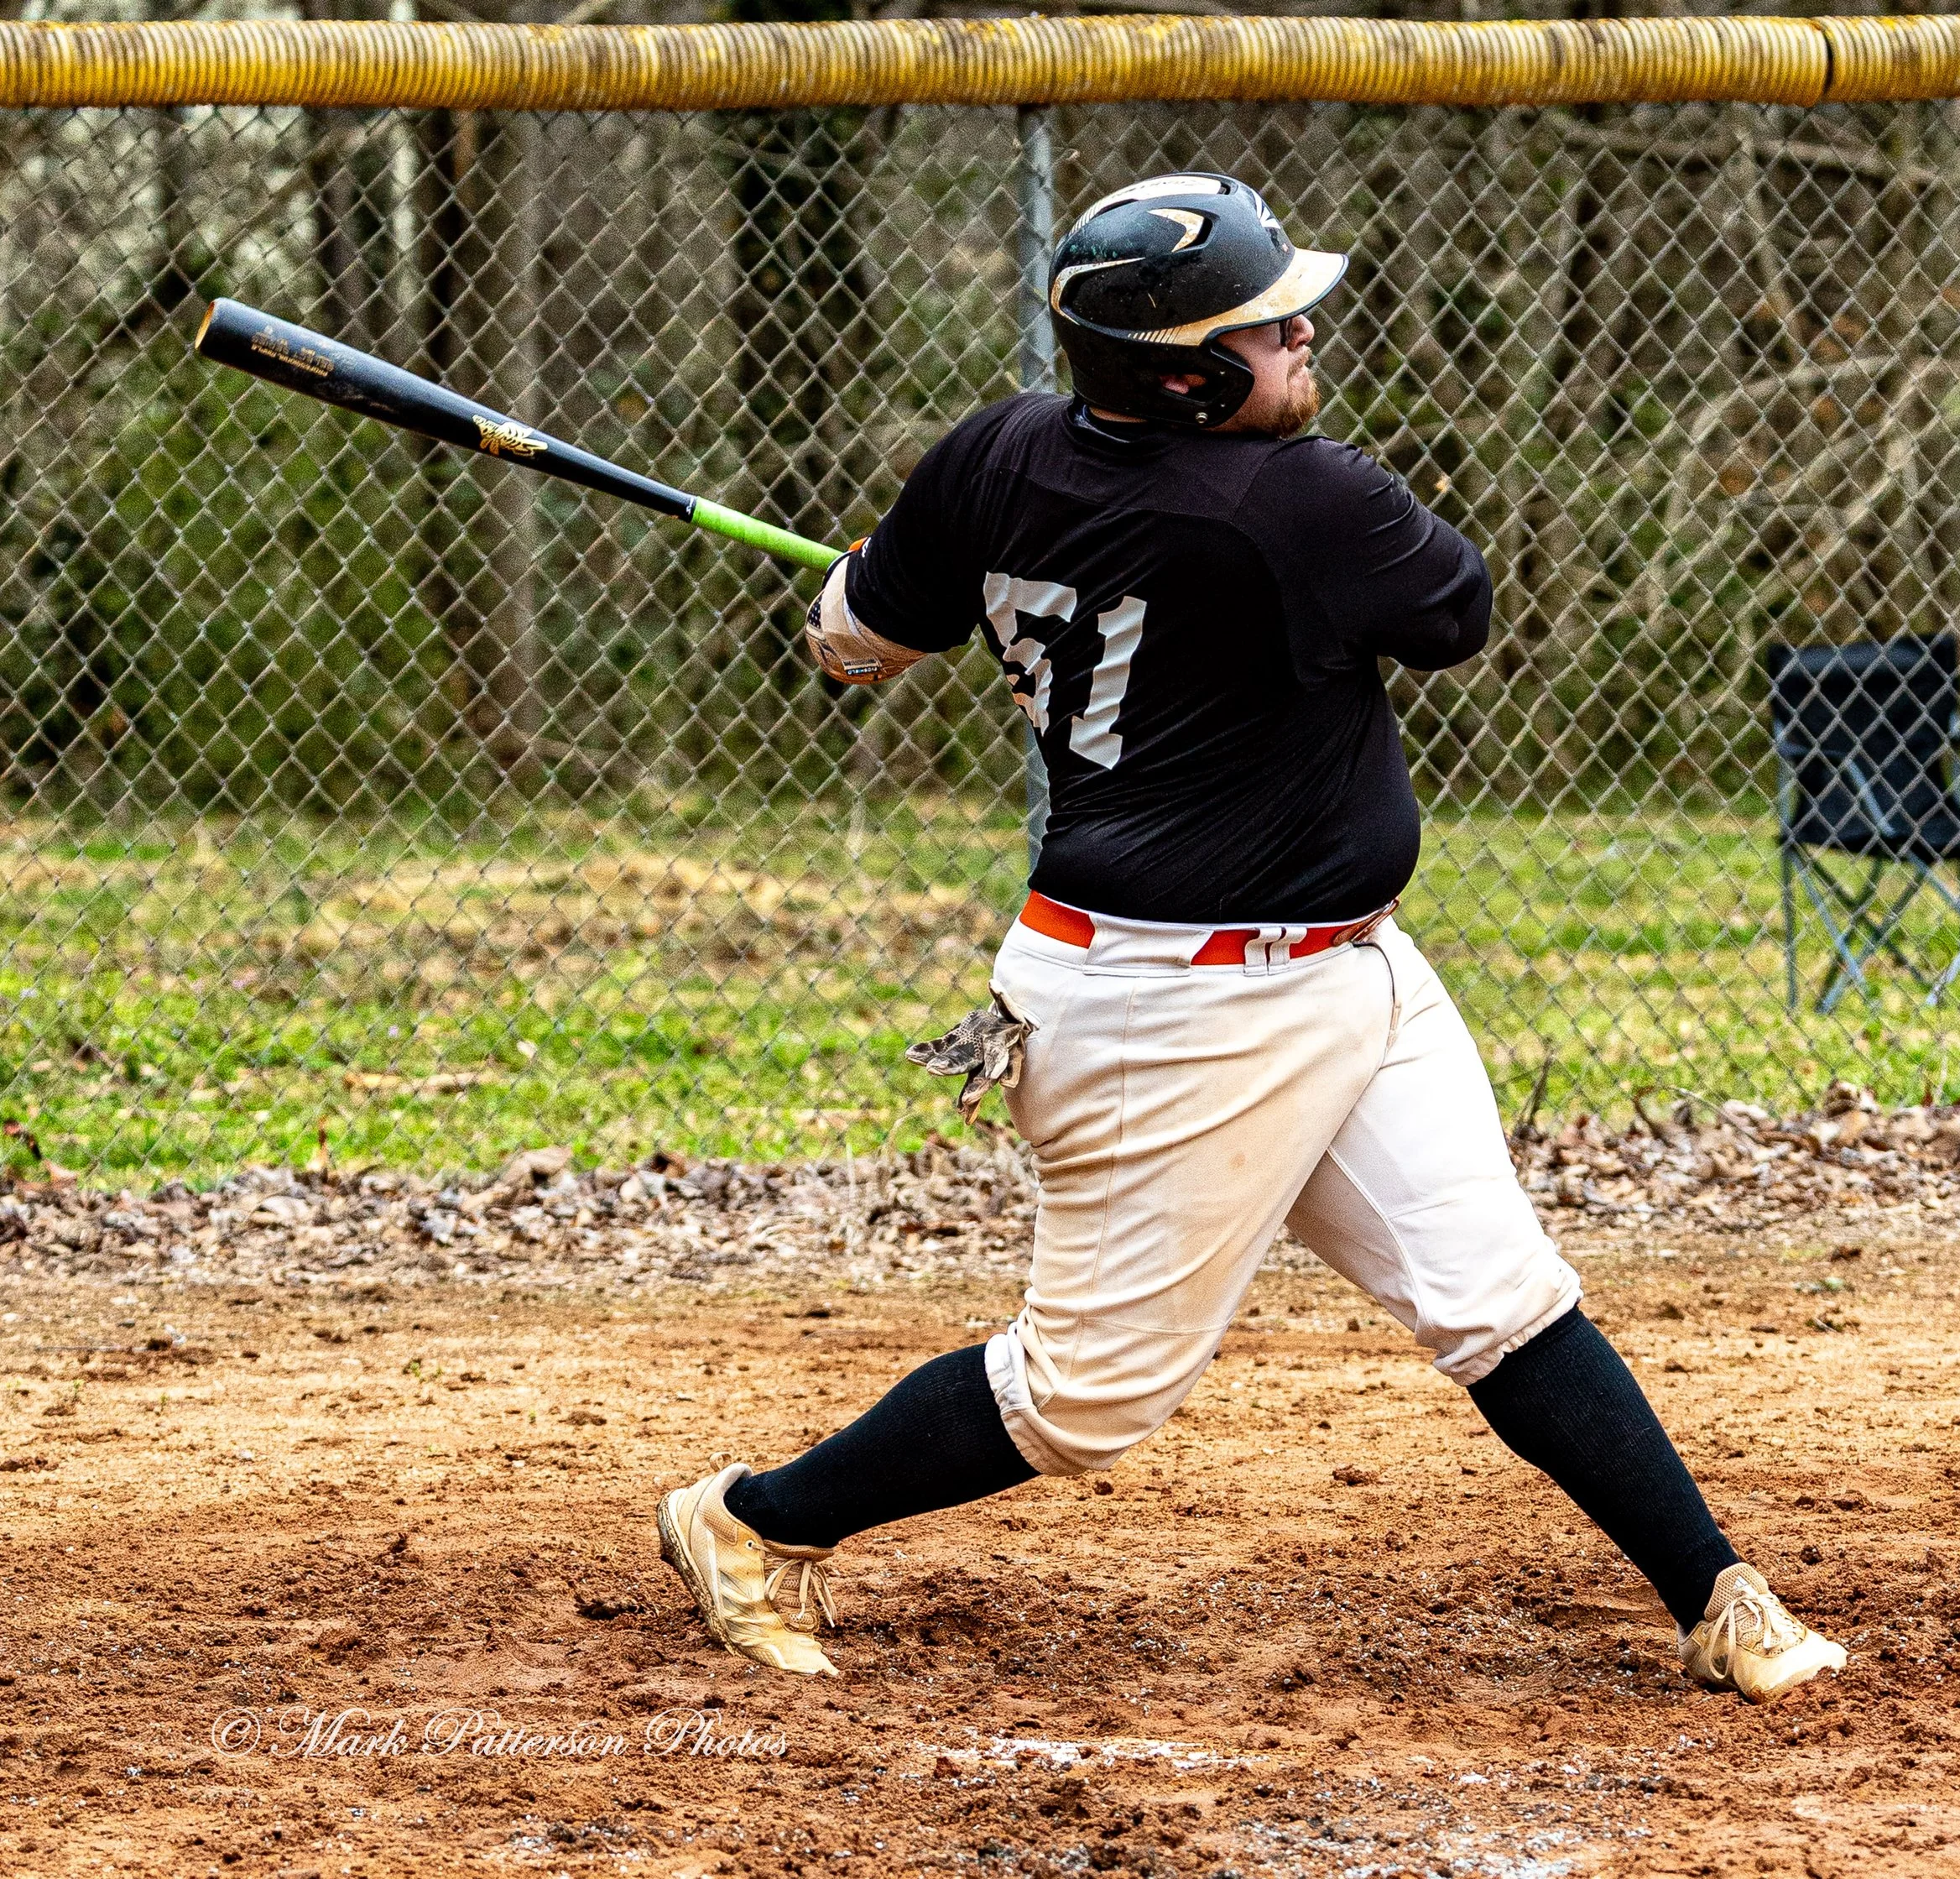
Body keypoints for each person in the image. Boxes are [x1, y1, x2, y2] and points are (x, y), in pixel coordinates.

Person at [655, 172, 1846, 1704]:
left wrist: (898, 577)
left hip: (1351, 969)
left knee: (1498, 1291)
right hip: (1169, 1008)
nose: (1301, 339)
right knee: (1083, 1402)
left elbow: (854, 646)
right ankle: (749, 1521)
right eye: (1269, 328)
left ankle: (1717, 1595)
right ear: (1189, 374)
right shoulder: (1309, 500)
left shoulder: (997, 455)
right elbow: (1459, 610)